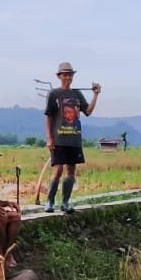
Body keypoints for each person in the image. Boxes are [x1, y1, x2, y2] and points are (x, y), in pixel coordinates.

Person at [43, 62, 102, 213]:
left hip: (74, 138)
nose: (68, 77)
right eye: (65, 75)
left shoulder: (77, 94)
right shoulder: (54, 94)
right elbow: (49, 116)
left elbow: (87, 111)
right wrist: (49, 138)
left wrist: (95, 94)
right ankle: (49, 201)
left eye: (70, 74)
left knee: (71, 170)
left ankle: (65, 202)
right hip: (59, 138)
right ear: (59, 76)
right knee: (57, 169)